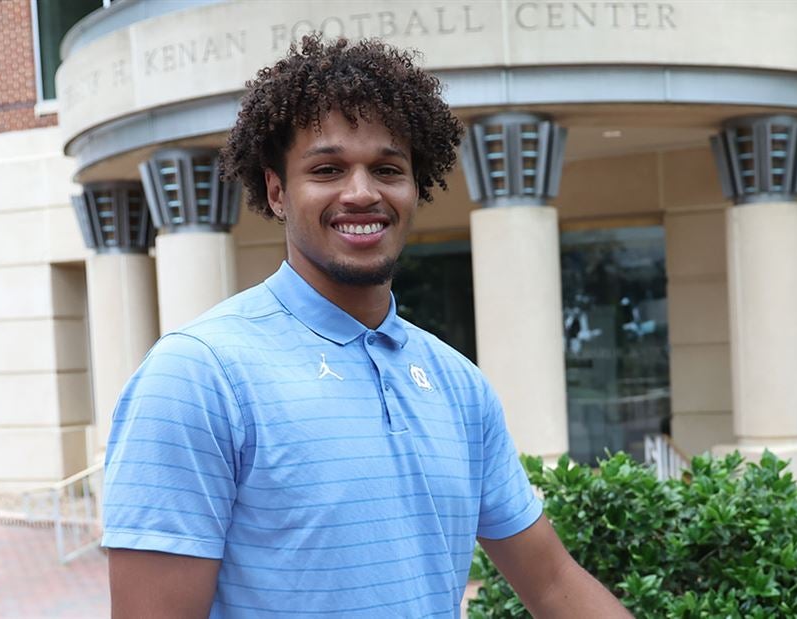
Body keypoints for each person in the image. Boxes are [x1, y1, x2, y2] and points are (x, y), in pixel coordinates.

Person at [102, 36, 630, 618]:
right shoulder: (198, 375)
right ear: (277, 190)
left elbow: (553, 582)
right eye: (327, 169)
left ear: (413, 187)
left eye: (387, 169)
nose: (362, 193)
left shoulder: (459, 386)